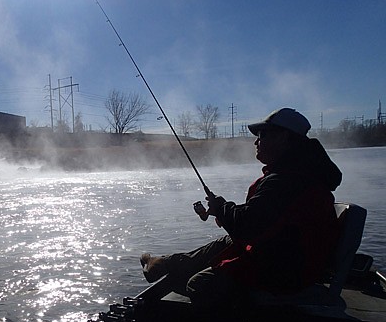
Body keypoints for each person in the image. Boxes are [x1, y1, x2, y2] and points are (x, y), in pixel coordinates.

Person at [140, 107, 342, 310]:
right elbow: (259, 220)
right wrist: (222, 210)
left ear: (283, 138)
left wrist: (221, 208)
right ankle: (165, 264)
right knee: (225, 243)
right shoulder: (300, 173)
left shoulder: (286, 180)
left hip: (283, 273)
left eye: (262, 136)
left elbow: (247, 228)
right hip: (286, 257)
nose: (256, 142)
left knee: (199, 284)